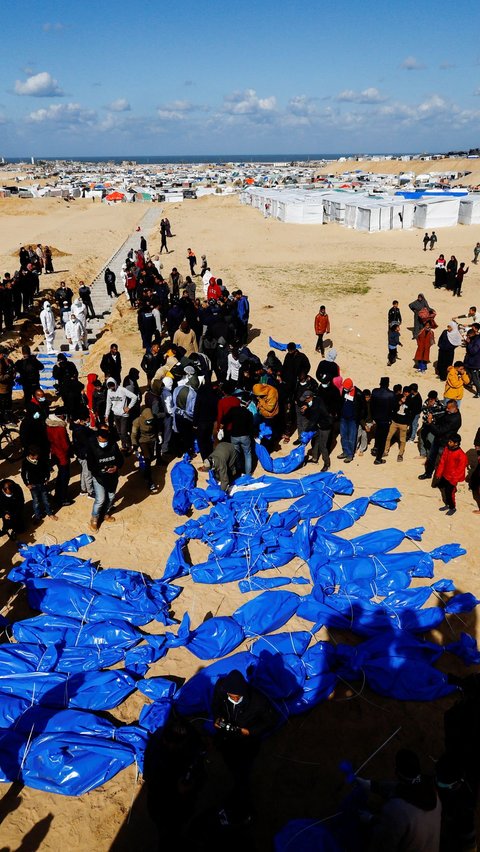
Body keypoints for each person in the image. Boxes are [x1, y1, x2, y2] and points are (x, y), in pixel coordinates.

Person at [211, 669, 278, 823]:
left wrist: (250, 731)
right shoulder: (222, 689)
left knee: (242, 776)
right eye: (229, 695)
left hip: (246, 743)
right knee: (229, 761)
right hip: (226, 738)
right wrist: (217, 718)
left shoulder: (258, 701)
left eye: (234, 696)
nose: (231, 698)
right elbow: (215, 705)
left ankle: (244, 807)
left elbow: (271, 720)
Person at [365, 748, 441, 851]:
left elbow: (383, 845)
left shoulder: (396, 809)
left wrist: (371, 820)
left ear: (397, 771)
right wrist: (374, 786)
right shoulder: (432, 792)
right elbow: (403, 789)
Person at [86, 428, 124, 529]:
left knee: (111, 497)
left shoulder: (113, 445)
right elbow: (90, 466)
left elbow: (120, 459)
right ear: (98, 438)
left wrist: (116, 467)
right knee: (100, 499)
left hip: (112, 477)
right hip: (99, 478)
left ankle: (105, 513)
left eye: (106, 441)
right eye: (102, 441)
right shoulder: (92, 447)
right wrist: (102, 470)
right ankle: (94, 518)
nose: (104, 443)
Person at [419, 399, 462, 480]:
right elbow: (442, 417)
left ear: (454, 408)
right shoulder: (450, 412)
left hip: (445, 442)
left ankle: (441, 478)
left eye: (448, 408)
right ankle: (428, 473)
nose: (446, 409)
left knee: (442, 461)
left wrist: (430, 422)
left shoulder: (455, 419)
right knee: (431, 457)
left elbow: (439, 431)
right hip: (438, 439)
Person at [21, 446, 58, 523]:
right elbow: (23, 474)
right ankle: (38, 516)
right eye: (36, 455)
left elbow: (46, 468)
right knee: (36, 502)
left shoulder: (40, 459)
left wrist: (47, 477)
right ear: (31, 455)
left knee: (46, 500)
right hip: (33, 485)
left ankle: (49, 513)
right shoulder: (25, 462)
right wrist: (27, 484)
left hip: (42, 483)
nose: (37, 457)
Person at [46, 408, 73, 507]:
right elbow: (65, 445)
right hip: (62, 457)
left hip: (54, 454)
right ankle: (62, 498)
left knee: (60, 476)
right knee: (64, 477)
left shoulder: (48, 425)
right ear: (61, 416)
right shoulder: (60, 428)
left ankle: (58, 495)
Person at [435, 433, 468, 515]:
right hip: (445, 474)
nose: (448, 443)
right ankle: (447, 504)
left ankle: (452, 507)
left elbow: (460, 470)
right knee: (445, 491)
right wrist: (439, 473)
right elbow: (442, 461)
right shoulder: (447, 449)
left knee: (450, 493)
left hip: (452, 478)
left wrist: (453, 481)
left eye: (451, 442)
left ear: (456, 443)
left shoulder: (462, 456)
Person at [104, 378, 137, 453]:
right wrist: (107, 415)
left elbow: (134, 397)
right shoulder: (109, 391)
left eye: (112, 386)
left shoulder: (122, 390)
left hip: (123, 415)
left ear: (115, 384)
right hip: (115, 414)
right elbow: (108, 403)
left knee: (124, 432)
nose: (111, 388)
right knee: (119, 432)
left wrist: (129, 407)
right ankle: (124, 446)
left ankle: (130, 446)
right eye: (109, 386)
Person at [223, 400, 254, 476]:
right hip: (245, 436)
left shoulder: (233, 410)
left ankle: (237, 472)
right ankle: (248, 474)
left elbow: (225, 420)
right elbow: (251, 426)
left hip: (234, 436)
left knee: (236, 455)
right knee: (247, 455)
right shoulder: (248, 413)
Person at [338, 378, 365, 463]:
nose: (344, 389)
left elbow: (363, 408)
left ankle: (350, 455)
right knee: (343, 436)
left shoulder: (358, 393)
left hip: (352, 419)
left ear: (351, 387)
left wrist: (358, 418)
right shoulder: (344, 391)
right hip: (343, 417)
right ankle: (345, 452)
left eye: (346, 388)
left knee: (351, 437)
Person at [132, 406, 158, 492]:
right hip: (143, 441)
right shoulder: (137, 421)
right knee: (147, 458)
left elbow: (157, 428)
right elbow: (134, 434)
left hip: (152, 440)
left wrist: (159, 435)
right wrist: (134, 445)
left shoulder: (154, 419)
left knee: (150, 457)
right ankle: (148, 479)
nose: (149, 422)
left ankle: (145, 469)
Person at [371, 377, 395, 465]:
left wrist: (373, 416)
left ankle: (375, 448)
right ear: (388, 384)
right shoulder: (391, 394)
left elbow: (372, 405)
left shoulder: (375, 391)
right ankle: (378, 459)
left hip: (377, 418)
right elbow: (393, 408)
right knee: (383, 439)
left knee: (377, 434)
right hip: (385, 419)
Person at [382, 388, 411, 462]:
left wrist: (408, 423)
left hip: (403, 424)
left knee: (402, 440)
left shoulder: (411, 400)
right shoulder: (398, 397)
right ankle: (385, 451)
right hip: (395, 422)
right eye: (405, 392)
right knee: (388, 437)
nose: (406, 393)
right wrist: (400, 402)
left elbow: (412, 413)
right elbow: (393, 408)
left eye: (407, 392)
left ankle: (400, 454)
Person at [71, 411, 94, 498]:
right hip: (84, 454)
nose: (88, 421)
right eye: (87, 420)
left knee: (84, 472)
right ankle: (90, 492)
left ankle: (83, 489)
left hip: (80, 454)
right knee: (88, 473)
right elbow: (87, 443)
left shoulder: (76, 429)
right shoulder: (82, 431)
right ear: (82, 420)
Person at [463, 326, 480, 398]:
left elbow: (473, 351)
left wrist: (469, 343)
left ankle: (478, 392)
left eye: (469, 336)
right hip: (469, 362)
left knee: (475, 378)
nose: (468, 337)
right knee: (469, 373)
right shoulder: (473, 339)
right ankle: (470, 383)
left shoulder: (477, 341)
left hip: (475, 363)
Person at [0, 348, 15, 423]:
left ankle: (8, 416)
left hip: (9, 387)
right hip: (2, 389)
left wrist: (12, 374)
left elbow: (13, 372)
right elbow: (1, 377)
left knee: (8, 404)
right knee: (3, 406)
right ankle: (4, 419)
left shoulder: (10, 362)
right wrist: (8, 375)